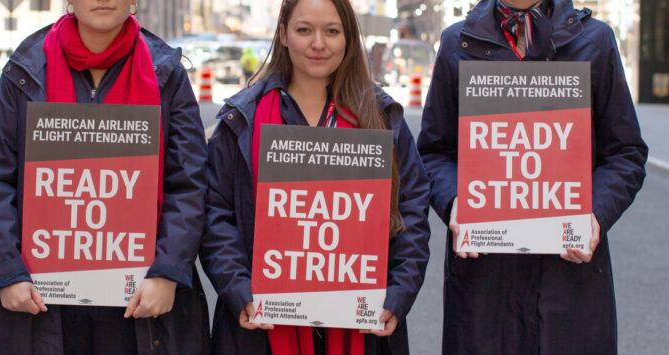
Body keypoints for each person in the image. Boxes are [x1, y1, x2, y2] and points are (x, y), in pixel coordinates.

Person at [0, 1, 209, 353]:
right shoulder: (26, 69)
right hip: (44, 298)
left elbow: (189, 182)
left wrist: (168, 271)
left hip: (140, 297)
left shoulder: (167, 74)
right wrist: (8, 273)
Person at [200, 0, 431, 354]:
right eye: (304, 29)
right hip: (261, 328)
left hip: (362, 328)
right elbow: (216, 214)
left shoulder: (383, 117)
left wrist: (398, 295)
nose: (318, 43)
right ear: (283, 35)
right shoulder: (241, 119)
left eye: (332, 31)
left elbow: (412, 210)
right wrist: (238, 290)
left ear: (348, 38)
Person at [417, 0, 648, 353]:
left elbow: (625, 152)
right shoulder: (457, 43)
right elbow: (433, 152)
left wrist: (596, 214)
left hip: (568, 279)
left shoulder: (595, 41)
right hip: (486, 284)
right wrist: (455, 202)